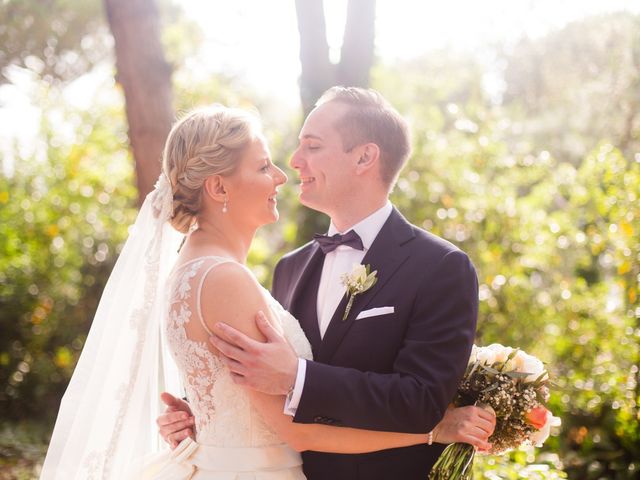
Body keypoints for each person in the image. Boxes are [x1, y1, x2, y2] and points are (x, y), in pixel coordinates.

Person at [157, 88, 491, 479]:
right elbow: (259, 389)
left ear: (365, 157)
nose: (294, 163)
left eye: (312, 147)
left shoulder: (441, 267)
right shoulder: (290, 268)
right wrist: (200, 411)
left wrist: (297, 376)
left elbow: (421, 401)